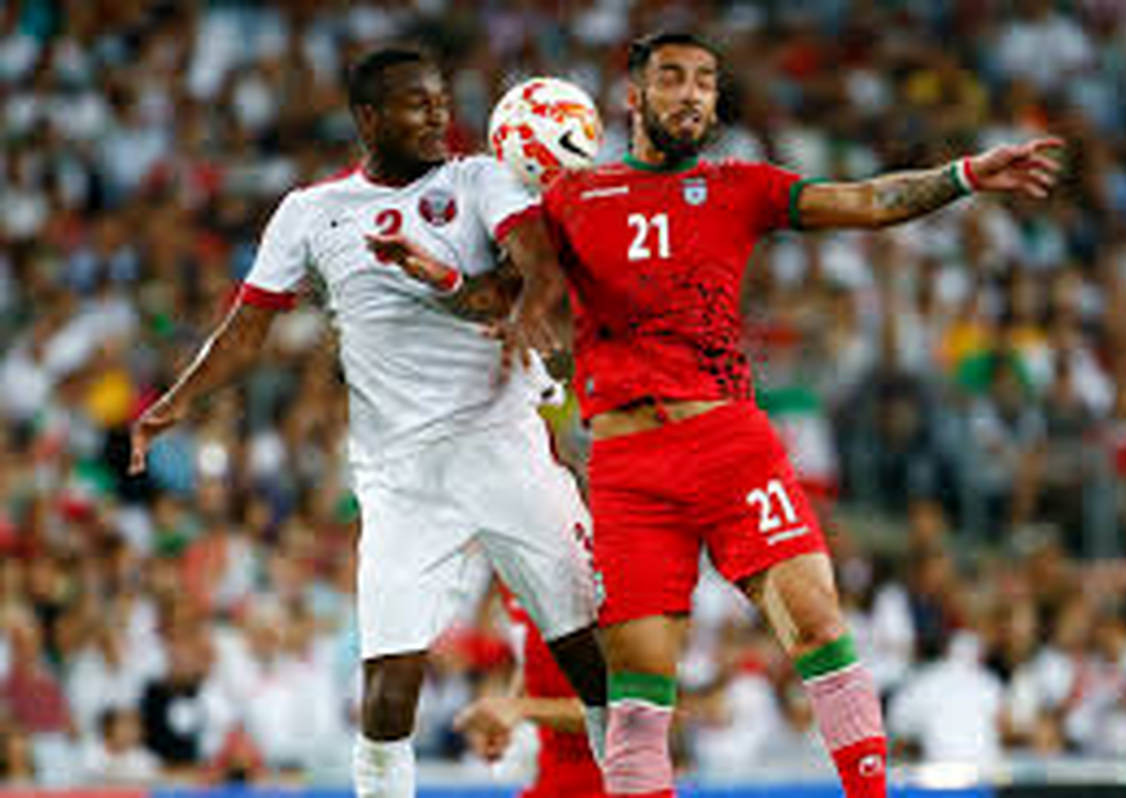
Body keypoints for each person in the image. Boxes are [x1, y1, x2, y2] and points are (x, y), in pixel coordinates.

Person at [539, 32, 1060, 798]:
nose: (692, 94)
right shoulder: (571, 196)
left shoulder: (738, 185)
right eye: (672, 78)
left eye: (705, 81)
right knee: (640, 696)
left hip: (726, 443)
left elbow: (868, 200)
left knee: (816, 622)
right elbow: (510, 287)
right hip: (626, 468)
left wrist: (964, 176)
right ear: (633, 97)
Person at [127, 46, 608, 798]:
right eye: (418, 103)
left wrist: (526, 314)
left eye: (442, 100)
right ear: (368, 118)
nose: (438, 116)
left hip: (503, 443)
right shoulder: (309, 213)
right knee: (388, 683)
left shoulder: (480, 178)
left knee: (586, 651)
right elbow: (247, 330)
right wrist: (176, 402)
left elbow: (537, 265)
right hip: (399, 473)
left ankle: (637, 783)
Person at [455, 587, 606, 798]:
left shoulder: (598, 581)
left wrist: (521, 708)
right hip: (552, 773)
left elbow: (622, 711)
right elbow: (530, 660)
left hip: (613, 779)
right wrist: (503, 717)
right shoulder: (514, 580)